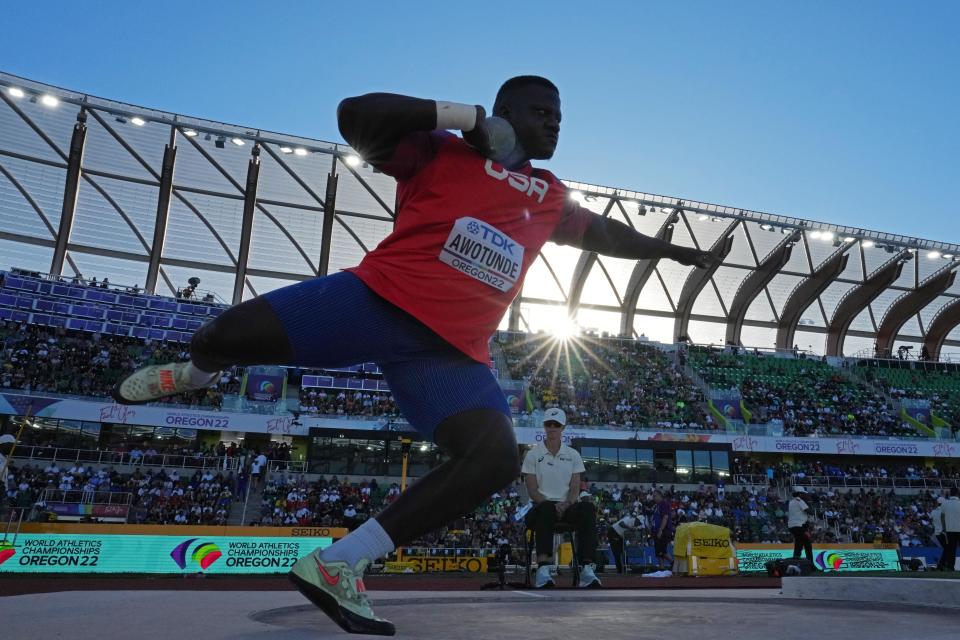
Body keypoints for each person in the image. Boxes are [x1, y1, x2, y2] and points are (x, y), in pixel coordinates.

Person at [111, 76, 716, 635]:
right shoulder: (441, 151)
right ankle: (191, 375)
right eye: (541, 113)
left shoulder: (550, 196)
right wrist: (465, 118)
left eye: (560, 117)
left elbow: (608, 234)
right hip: (375, 301)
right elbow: (355, 116)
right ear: (505, 114)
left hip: (449, 355)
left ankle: (341, 563)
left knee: (496, 459)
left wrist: (671, 253)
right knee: (220, 338)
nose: (555, 125)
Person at [522, 408, 600, 588]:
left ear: (562, 427)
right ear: (544, 426)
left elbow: (574, 488)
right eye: (548, 424)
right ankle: (543, 569)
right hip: (541, 507)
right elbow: (532, 490)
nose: (552, 428)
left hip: (567, 507)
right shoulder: (533, 454)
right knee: (547, 508)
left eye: (556, 424)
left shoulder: (573, 455)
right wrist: (549, 503)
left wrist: (566, 504)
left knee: (588, 508)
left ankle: (586, 568)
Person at [788, 486, 815, 565]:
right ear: (799, 494)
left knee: (798, 544)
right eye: (803, 494)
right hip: (799, 526)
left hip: (792, 526)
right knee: (807, 545)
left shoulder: (791, 502)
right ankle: (811, 564)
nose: (805, 495)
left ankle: (795, 563)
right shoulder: (799, 501)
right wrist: (809, 504)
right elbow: (810, 512)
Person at [652, 490, 674, 572]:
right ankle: (661, 568)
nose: (653, 498)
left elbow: (665, 517)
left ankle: (673, 563)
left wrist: (661, 530)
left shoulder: (664, 504)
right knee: (659, 551)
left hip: (663, 530)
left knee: (662, 551)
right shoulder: (657, 505)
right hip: (657, 530)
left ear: (660, 496)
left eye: (655, 496)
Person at [941, 487, 960, 572]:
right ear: (957, 493)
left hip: (949, 530)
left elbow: (942, 517)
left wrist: (944, 528)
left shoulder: (945, 503)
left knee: (951, 549)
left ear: (950, 493)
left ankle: (950, 567)